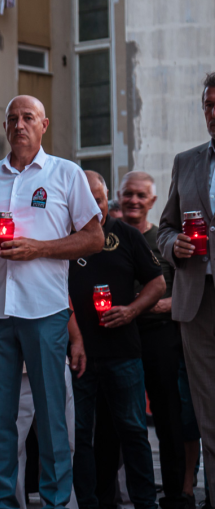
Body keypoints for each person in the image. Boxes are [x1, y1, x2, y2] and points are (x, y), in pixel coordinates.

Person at [0, 95, 103, 509]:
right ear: (5, 128)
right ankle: (3, 503)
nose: (19, 125)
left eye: (28, 118)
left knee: (54, 419)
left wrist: (39, 248)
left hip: (45, 311)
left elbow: (92, 237)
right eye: (12, 119)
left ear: (44, 125)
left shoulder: (66, 175)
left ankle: (58, 503)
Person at [68, 170, 164, 509]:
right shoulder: (63, 236)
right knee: (79, 437)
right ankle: (87, 503)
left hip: (123, 351)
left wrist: (132, 310)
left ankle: (145, 503)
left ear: (107, 199)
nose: (93, 206)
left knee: (134, 432)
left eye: (98, 198)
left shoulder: (125, 234)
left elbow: (157, 283)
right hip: (76, 356)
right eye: (85, 199)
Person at [158, 72, 215, 509]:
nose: (213, 113)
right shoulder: (187, 161)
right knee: (208, 414)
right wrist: (173, 246)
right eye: (208, 105)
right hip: (199, 303)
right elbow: (166, 227)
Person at [118, 170, 191, 509]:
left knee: (167, 416)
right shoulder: (107, 237)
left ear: (153, 201)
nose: (133, 200)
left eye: (140, 195)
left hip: (160, 334)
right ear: (119, 196)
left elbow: (189, 289)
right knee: (122, 421)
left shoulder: (162, 240)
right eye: (128, 194)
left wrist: (165, 303)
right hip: (118, 336)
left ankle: (175, 494)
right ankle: (128, 493)